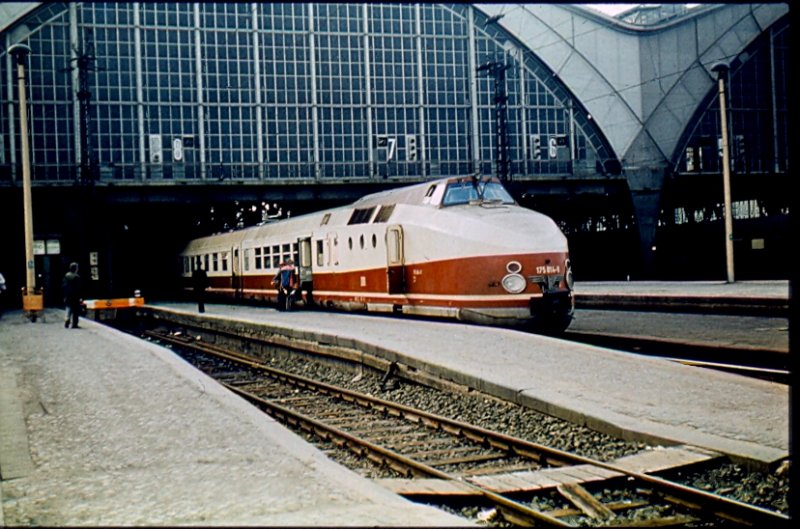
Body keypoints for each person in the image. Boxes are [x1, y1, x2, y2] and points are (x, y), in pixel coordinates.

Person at [62, 262, 82, 329]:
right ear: (76, 269)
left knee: (68, 308)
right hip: (75, 296)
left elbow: (64, 286)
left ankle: (67, 320)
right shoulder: (77, 277)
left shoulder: (66, 276)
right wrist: (80, 297)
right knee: (75, 310)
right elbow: (79, 288)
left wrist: (64, 295)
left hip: (68, 295)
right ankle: (74, 324)